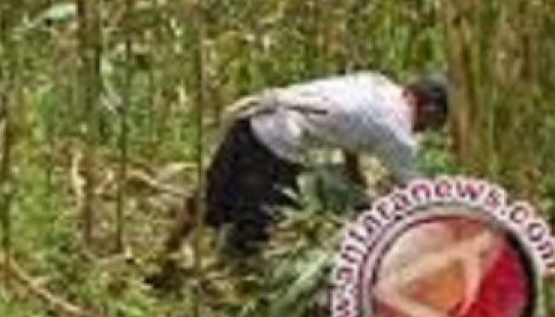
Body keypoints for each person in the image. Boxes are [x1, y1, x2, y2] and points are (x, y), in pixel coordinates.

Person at [161, 72, 449, 260]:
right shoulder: (396, 131)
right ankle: (232, 295)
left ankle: (166, 254)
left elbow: (351, 130)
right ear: (429, 109)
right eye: (434, 124)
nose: (426, 131)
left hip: (254, 118)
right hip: (276, 142)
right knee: (256, 227)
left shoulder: (378, 84)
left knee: (210, 193)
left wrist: (357, 184)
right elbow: (417, 193)